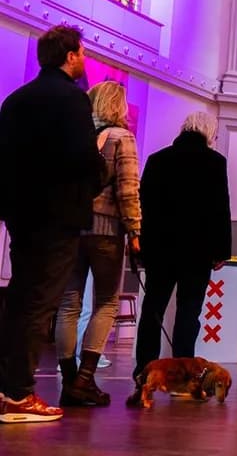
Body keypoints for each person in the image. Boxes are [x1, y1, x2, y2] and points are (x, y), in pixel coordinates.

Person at [0, 25, 105, 422]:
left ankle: (5, 386)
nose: (84, 59)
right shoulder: (73, 101)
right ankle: (20, 395)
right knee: (41, 303)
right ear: (71, 55)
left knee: (19, 299)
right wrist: (97, 174)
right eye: (83, 52)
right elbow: (81, 159)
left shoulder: (16, 100)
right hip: (59, 215)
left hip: (21, 215)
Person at [128, 112, 231, 403]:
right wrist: (221, 250)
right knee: (188, 313)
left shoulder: (158, 160)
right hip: (197, 253)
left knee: (153, 312)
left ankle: (143, 373)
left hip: (160, 250)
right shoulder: (214, 163)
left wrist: (141, 245)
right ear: (208, 134)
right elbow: (219, 209)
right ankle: (185, 380)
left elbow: (143, 204)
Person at [54, 81, 142, 407]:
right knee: (106, 302)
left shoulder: (76, 137)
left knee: (68, 303)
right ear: (118, 106)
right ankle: (85, 380)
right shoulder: (122, 138)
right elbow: (128, 191)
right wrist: (135, 232)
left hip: (71, 230)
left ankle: (68, 381)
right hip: (107, 232)